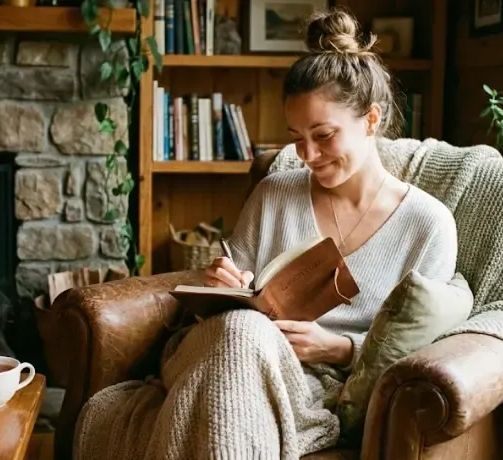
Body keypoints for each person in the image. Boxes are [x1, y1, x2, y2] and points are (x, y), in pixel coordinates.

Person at [73, 8, 458, 459]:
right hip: (217, 350)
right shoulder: (275, 192)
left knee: (243, 339)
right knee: (242, 327)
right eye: (296, 136)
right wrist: (220, 284)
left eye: (324, 135)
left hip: (313, 386)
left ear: (371, 121)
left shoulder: (427, 225)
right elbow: (227, 299)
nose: (308, 154)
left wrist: (339, 348)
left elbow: (421, 350)